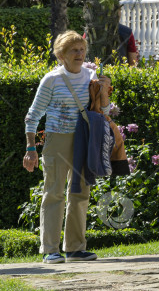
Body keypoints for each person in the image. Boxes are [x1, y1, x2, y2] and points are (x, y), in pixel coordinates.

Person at [23, 31, 112, 264]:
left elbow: (104, 111)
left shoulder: (92, 76)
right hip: (57, 139)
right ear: (61, 54)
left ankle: (75, 248)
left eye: (82, 49)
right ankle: (50, 249)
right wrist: (30, 149)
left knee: (81, 192)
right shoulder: (51, 79)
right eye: (74, 50)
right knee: (54, 192)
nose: (79, 54)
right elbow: (32, 116)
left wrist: (105, 92)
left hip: (84, 138)